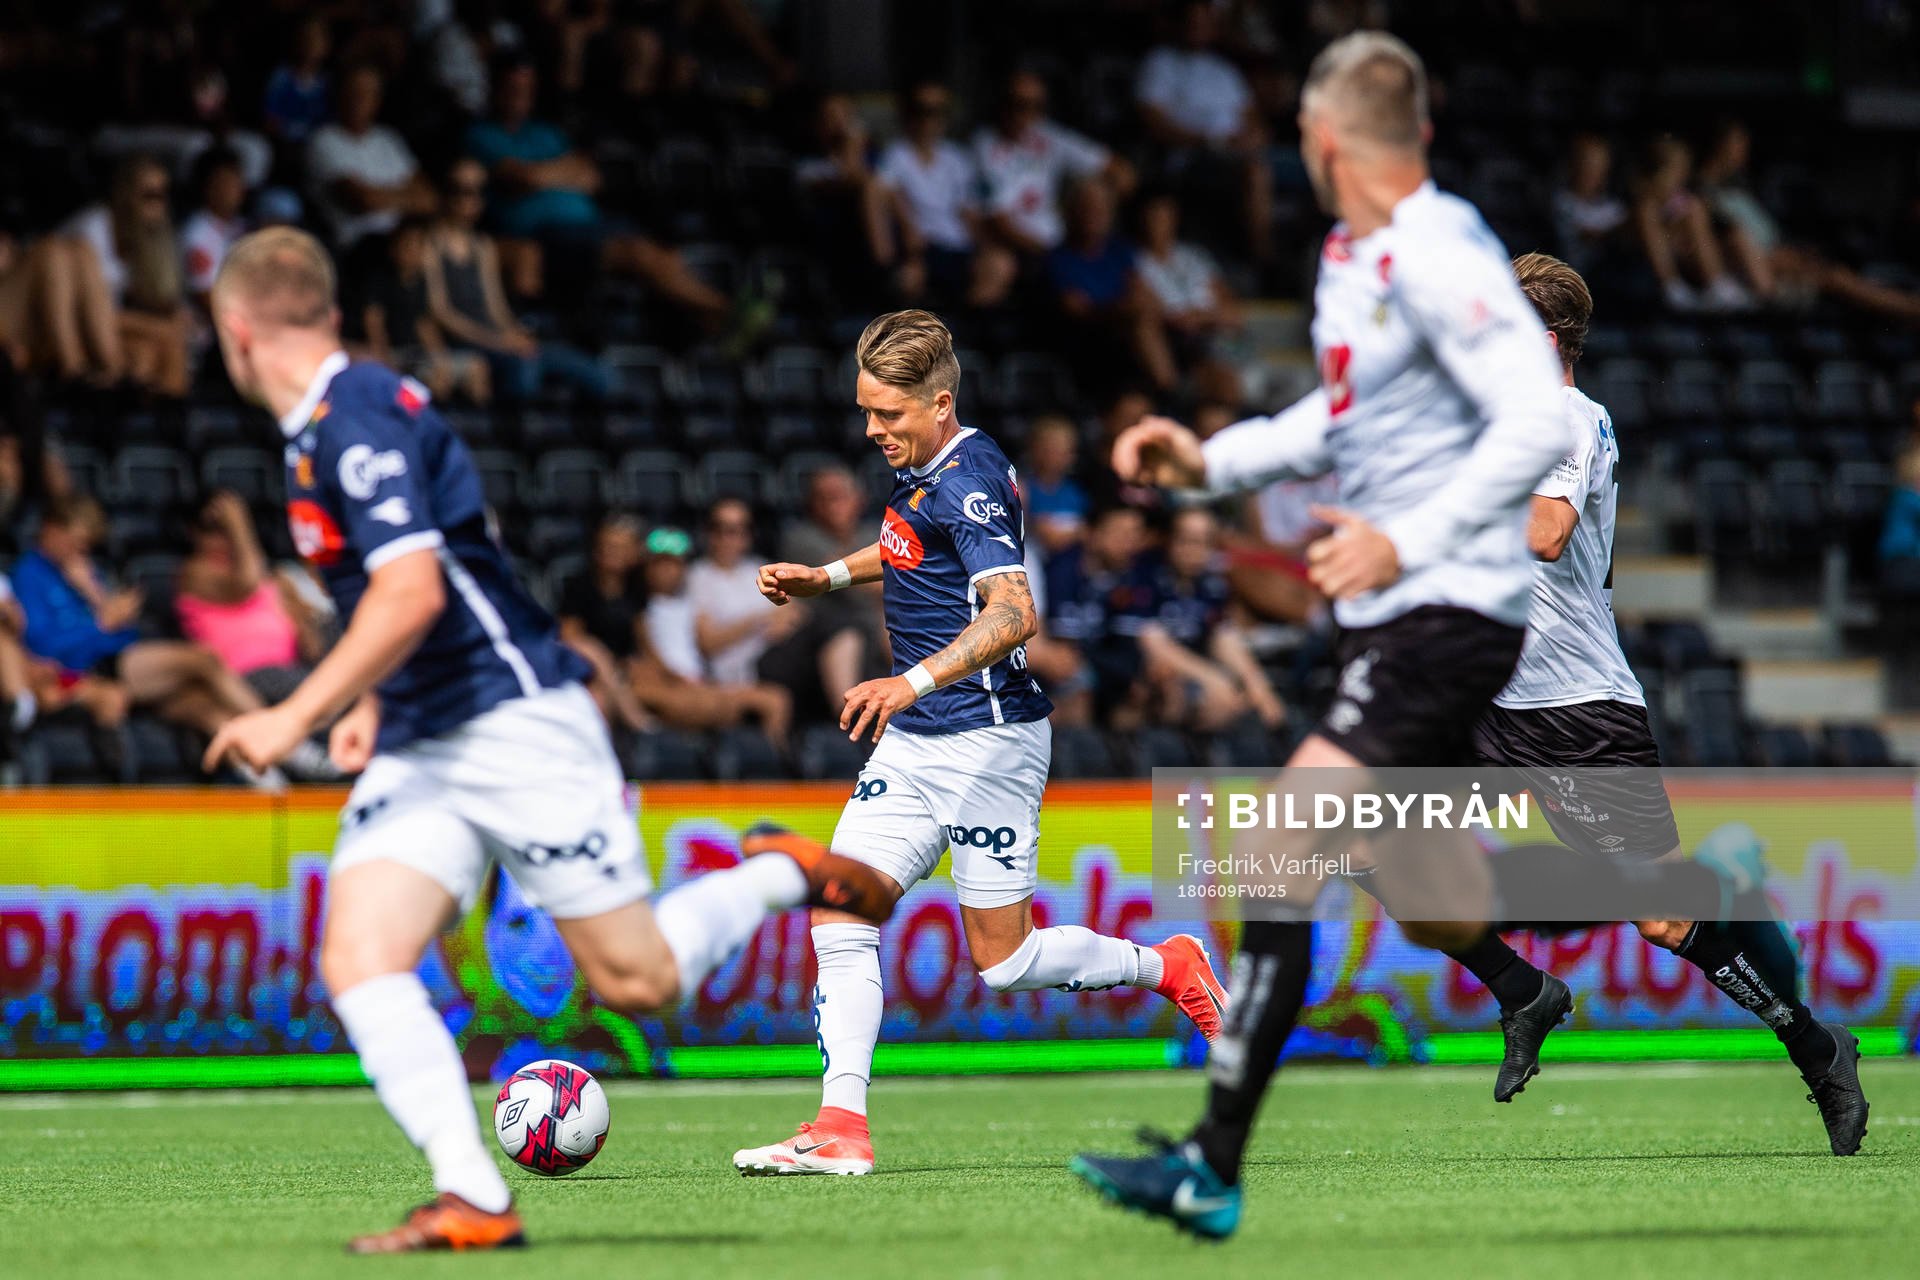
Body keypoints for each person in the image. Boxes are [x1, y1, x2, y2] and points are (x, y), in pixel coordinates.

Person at [1068, 33, 1770, 1238]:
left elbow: (1524, 423)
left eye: (1300, 134)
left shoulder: (1444, 255)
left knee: (1281, 841)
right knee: (1429, 894)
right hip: (1409, 613)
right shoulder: (1360, 260)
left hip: (1451, 611)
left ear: (1323, 140)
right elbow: (1331, 418)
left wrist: (1409, 538)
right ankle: (1528, 977)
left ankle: (1210, 1164)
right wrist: (1205, 464)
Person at [198, 226, 896, 1252]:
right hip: (429, 733)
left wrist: (293, 711)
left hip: (515, 722)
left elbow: (413, 590)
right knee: (360, 955)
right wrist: (369, 699)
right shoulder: (331, 418)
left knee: (638, 983)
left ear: (235, 327)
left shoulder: (350, 419)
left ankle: (781, 872)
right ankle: (474, 1196)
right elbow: (415, 592)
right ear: (331, 314)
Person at [733, 310, 1229, 1177]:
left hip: (987, 742)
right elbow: (911, 549)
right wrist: (827, 576)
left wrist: (911, 680)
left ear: (940, 403)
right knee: (840, 913)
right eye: (866, 412)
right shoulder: (922, 470)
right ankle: (839, 1127)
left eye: (888, 415)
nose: (872, 429)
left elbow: (1013, 611)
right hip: (916, 742)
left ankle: (1169, 963)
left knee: (1005, 964)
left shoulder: (971, 479)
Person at [1401, 254, 1864, 1149]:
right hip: (1483, 701)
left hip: (1577, 708)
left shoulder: (1569, 418)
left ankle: (1816, 1047)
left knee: (1661, 918)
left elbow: (1544, 532)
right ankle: (1520, 989)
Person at [11, 496, 296, 783]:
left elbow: (126, 635)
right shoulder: (28, 575)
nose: (80, 551)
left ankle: (274, 788)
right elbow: (42, 645)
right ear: (51, 530)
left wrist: (95, 596)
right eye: (75, 542)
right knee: (204, 659)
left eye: (85, 545)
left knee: (209, 711)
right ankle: (285, 737)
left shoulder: (85, 572)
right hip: (90, 669)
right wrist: (101, 623)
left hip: (124, 665)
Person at [465, 59, 741, 333]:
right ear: (496, 89)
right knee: (639, 254)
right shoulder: (481, 135)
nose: (520, 96)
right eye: (513, 88)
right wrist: (559, 172)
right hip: (546, 236)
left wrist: (541, 174)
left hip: (591, 226)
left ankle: (717, 322)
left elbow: (590, 177)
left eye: (527, 89)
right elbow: (522, 176)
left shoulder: (546, 132)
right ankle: (727, 313)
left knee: (664, 251)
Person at [423, 158, 610, 403]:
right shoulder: (430, 244)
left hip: (498, 339)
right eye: (460, 190)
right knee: (524, 372)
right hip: (466, 342)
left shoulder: (483, 245)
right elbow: (441, 312)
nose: (469, 200)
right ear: (446, 193)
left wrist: (513, 333)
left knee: (598, 374)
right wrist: (498, 341)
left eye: (478, 192)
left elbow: (495, 304)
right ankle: (522, 433)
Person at [1117, 506, 1285, 732]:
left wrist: (1259, 688)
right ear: (1170, 539)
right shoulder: (1143, 575)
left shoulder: (1211, 584)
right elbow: (1153, 644)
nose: (1193, 550)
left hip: (1194, 670)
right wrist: (1214, 680)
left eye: (1203, 542)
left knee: (1236, 701)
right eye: (1186, 540)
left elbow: (1224, 638)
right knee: (1170, 683)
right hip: (1133, 672)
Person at [1134, 0, 1274, 264]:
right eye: (1191, 21)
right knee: (1256, 173)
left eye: (1203, 22)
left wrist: (1251, 138)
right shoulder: (1160, 63)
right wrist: (1211, 141)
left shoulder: (1225, 71)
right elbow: (1153, 122)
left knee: (1311, 162)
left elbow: (1253, 121)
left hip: (1237, 152)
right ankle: (1264, 258)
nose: (1196, 28)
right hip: (1192, 157)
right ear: (1178, 23)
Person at [176, 491, 327, 705]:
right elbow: (246, 583)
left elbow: (310, 637)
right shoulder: (194, 573)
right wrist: (238, 523)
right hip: (247, 677)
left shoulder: (269, 576)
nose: (222, 539)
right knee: (323, 697)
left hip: (291, 667)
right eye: (213, 530)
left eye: (225, 530)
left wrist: (303, 626)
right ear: (193, 532)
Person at [876, 81, 1016, 308]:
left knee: (1000, 263)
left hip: (958, 246)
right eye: (923, 110)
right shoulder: (895, 154)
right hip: (921, 248)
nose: (930, 119)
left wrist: (985, 246)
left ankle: (967, 326)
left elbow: (968, 211)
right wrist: (909, 244)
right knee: (907, 280)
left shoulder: (956, 158)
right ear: (909, 113)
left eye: (938, 111)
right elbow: (886, 195)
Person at [61, 155, 192, 395]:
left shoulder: (143, 239)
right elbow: (84, 311)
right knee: (169, 338)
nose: (159, 204)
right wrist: (160, 326)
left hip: (106, 327)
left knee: (148, 354)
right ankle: (174, 415)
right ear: (125, 194)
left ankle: (164, 422)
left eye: (163, 195)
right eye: (149, 195)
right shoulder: (92, 228)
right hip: (68, 327)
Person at [972, 70, 1134, 259]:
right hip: (1017, 249)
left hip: (1059, 240)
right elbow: (999, 222)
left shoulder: (1047, 135)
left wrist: (1096, 210)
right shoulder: (984, 144)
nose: (1026, 113)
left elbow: (1122, 172)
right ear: (1002, 104)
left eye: (1036, 106)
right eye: (1018, 104)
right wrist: (1053, 257)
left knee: (1093, 191)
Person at [1046, 180, 1177, 393]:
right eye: (1087, 206)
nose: (1094, 214)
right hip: (1090, 344)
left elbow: (1146, 294)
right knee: (1141, 323)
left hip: (1130, 338)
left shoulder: (1119, 251)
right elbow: (1077, 311)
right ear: (1071, 212)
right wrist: (1123, 308)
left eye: (1101, 207)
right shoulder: (1058, 258)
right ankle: (1170, 393)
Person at [305, 65, 436, 254]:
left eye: (367, 93)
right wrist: (404, 194)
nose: (359, 100)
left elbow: (429, 200)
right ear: (340, 95)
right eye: (354, 92)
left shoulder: (388, 139)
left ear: (377, 100)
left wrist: (381, 196)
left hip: (400, 242)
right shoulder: (323, 140)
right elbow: (363, 201)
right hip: (356, 248)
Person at [1134, 190, 1243, 402]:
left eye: (1166, 216)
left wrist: (1200, 318)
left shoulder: (1194, 257)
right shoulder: (1136, 261)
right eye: (1154, 217)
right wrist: (1195, 318)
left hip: (1216, 335)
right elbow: (1158, 312)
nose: (1159, 223)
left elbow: (1233, 314)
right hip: (1176, 342)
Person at [1629, 133, 1749, 313]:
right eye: (1675, 171)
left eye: (1683, 171)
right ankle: (1672, 288)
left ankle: (1717, 284)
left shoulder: (1681, 201)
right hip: (1641, 265)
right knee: (1647, 211)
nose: (1681, 177)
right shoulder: (1641, 202)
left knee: (1694, 208)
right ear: (1659, 172)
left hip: (1682, 259)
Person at [555, 514, 651, 731]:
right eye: (607, 545)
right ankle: (640, 728)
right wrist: (608, 667)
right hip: (586, 670)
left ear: (634, 553)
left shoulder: (636, 589)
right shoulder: (579, 586)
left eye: (619, 547)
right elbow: (570, 637)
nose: (611, 552)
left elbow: (644, 643)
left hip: (625, 670)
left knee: (667, 692)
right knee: (599, 698)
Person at [179, 147, 251, 316]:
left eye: (237, 180)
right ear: (208, 187)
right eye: (228, 182)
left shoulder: (241, 225)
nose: (237, 189)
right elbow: (207, 299)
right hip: (210, 334)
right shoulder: (196, 234)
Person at [1021, 414, 1091, 556]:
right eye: (1052, 450)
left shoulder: (1075, 492)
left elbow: (1088, 534)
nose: (1058, 457)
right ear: (1035, 450)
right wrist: (1075, 533)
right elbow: (1049, 538)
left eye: (1064, 451)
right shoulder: (1024, 489)